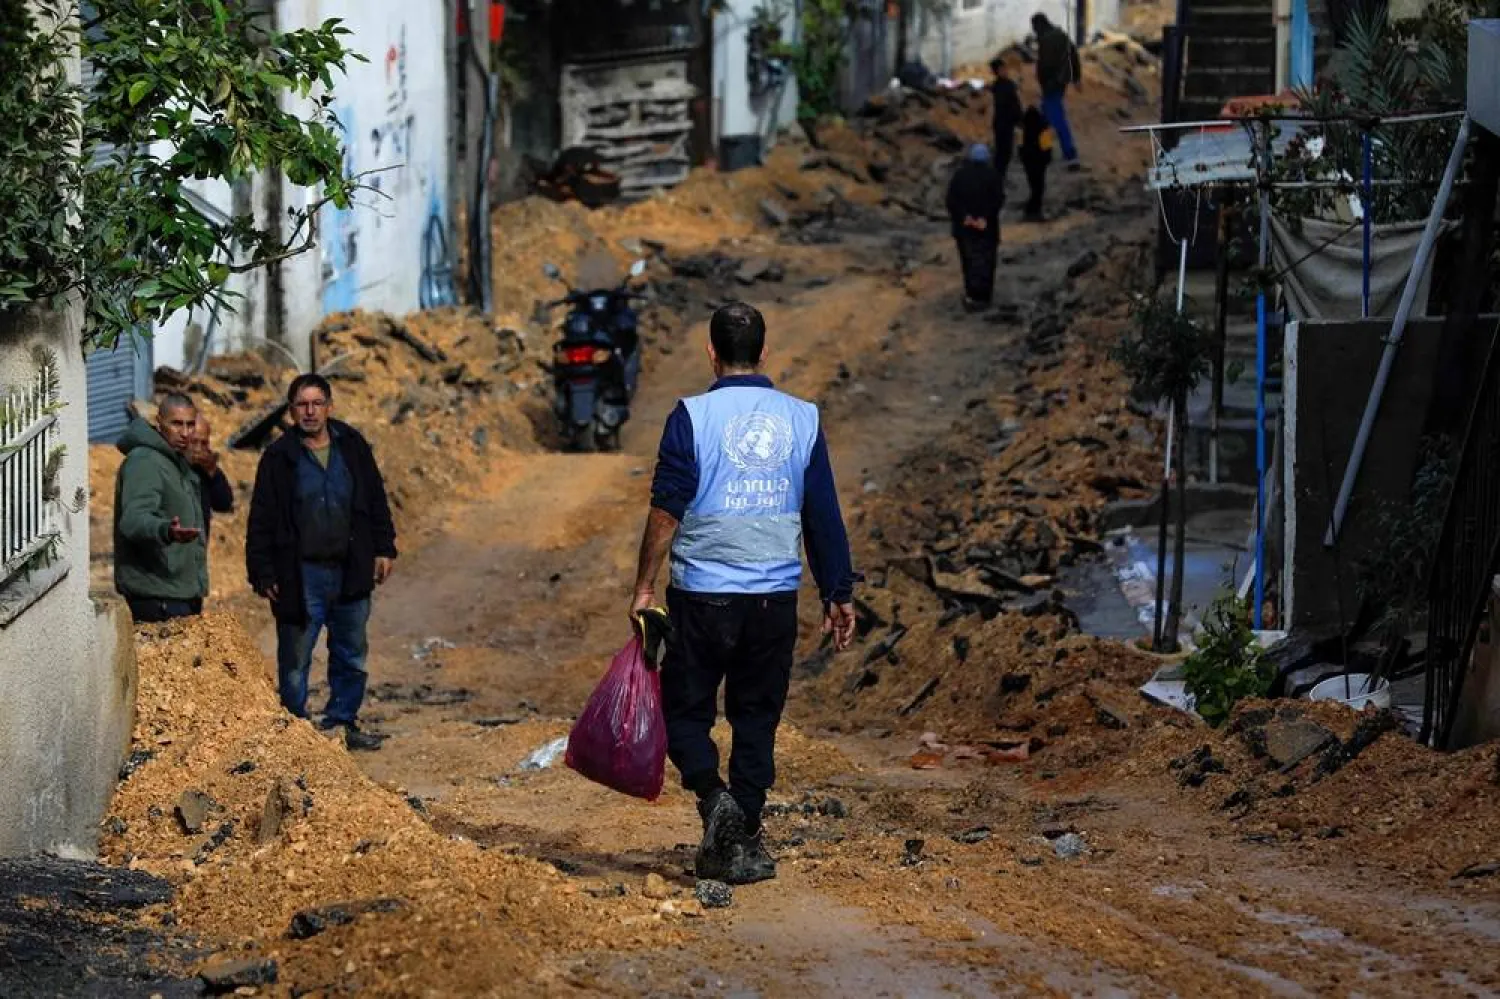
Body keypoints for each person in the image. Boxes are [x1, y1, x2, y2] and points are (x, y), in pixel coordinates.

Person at [631, 302, 858, 885]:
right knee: (756, 719)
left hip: (701, 596)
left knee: (684, 713)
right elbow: (822, 513)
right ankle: (742, 835)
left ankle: (716, 803)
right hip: (772, 599)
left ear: (710, 353)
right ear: (764, 352)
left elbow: (665, 510)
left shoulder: (691, 416)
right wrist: (838, 590)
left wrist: (644, 585)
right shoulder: (802, 419)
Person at [246, 374, 397, 752]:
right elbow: (261, 519)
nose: (310, 411)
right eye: (301, 404)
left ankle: (343, 722)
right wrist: (263, 572)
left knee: (351, 652)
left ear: (329, 406)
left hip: (351, 567)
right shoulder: (279, 458)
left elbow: (376, 499)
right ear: (291, 411)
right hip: (300, 573)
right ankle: (295, 732)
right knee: (295, 656)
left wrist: (385, 548)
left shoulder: (352, 446)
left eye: (317, 403)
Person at [113, 394, 208, 623]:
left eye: (190, 424)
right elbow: (134, 519)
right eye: (176, 424)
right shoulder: (145, 460)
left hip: (177, 595)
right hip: (158, 600)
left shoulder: (175, 463)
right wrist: (166, 530)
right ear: (159, 422)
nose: (185, 433)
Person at [945, 144, 1005, 310]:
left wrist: (965, 217)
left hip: (964, 228)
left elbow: (951, 200)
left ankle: (972, 294)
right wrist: (984, 218)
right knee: (987, 259)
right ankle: (985, 296)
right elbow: (998, 200)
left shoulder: (960, 176)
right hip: (987, 227)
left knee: (968, 260)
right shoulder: (993, 176)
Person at [1031, 12, 1082, 169]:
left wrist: (1044, 82)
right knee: (1045, 117)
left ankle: (1069, 151)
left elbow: (1045, 66)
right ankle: (1045, 149)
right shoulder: (1060, 35)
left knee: (1057, 118)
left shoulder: (1046, 40)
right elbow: (1073, 55)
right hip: (1060, 82)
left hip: (1051, 85)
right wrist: (1076, 78)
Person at [191, 413, 234, 539]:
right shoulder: (170, 465)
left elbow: (224, 503)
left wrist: (213, 472)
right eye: (194, 442)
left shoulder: (206, 468)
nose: (198, 449)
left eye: (203, 443)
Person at [989, 57, 1023, 186]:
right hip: (1004, 123)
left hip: (1002, 122)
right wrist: (1019, 119)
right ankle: (999, 178)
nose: (1006, 71)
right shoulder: (1004, 86)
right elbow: (1012, 105)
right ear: (997, 71)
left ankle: (1000, 176)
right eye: (1003, 69)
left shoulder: (999, 85)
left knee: (1003, 152)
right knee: (1003, 152)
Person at [1019, 105, 1055, 221]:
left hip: (1028, 161)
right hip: (1039, 161)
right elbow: (1047, 146)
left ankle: (1032, 210)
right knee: (1039, 187)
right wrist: (1047, 159)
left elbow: (1020, 146)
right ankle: (1033, 211)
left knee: (1034, 186)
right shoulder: (1043, 127)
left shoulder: (1024, 128)